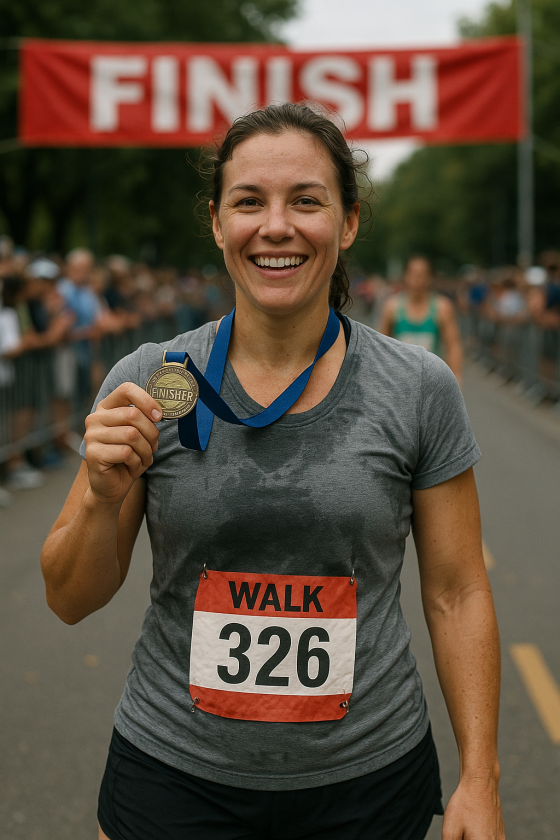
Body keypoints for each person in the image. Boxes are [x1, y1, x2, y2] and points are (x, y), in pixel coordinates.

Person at [41, 104, 504, 840]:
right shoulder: (148, 379)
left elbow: (457, 592)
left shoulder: (418, 388)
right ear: (219, 224)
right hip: (173, 774)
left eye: (307, 200)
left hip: (369, 781)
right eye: (249, 201)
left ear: (347, 223)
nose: (276, 226)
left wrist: (479, 779)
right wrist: (101, 498)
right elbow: (69, 598)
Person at [378, 256, 463, 385]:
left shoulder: (442, 307)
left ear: (430, 277)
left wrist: (456, 376)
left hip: (432, 382)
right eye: (414, 274)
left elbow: (453, 346)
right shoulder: (392, 307)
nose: (418, 279)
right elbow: (380, 347)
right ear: (405, 276)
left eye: (422, 274)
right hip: (400, 382)